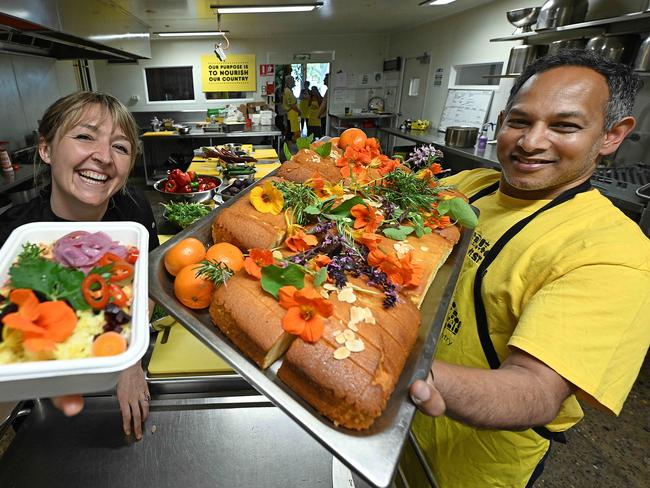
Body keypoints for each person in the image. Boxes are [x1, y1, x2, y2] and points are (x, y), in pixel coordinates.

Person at [406, 50, 650, 487]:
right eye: (519, 121)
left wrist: (403, 372)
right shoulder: (469, 186)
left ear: (612, 135)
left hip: (472, 461)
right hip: (396, 429)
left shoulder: (614, 253)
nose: (531, 142)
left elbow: (536, 391)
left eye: (564, 126)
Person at [0, 91, 160, 441]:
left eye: (120, 147)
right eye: (85, 136)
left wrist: (129, 358)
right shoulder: (12, 236)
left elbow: (145, 280)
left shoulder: (133, 210)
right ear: (46, 149)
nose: (103, 157)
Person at [282, 75, 302, 142]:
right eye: (293, 80)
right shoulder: (288, 91)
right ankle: (289, 145)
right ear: (289, 82)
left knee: (291, 130)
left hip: (293, 114)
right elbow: (292, 105)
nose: (294, 81)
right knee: (291, 131)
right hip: (291, 114)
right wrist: (299, 111)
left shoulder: (289, 90)